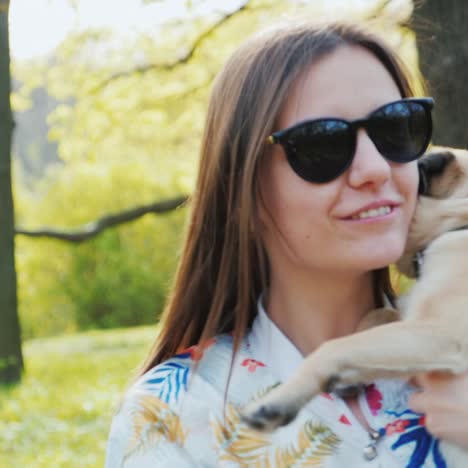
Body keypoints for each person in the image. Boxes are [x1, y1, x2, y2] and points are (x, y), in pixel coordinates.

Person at [105, 21, 468, 467]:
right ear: (245, 192)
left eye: (396, 128)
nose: (374, 168)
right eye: (322, 144)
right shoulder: (173, 416)